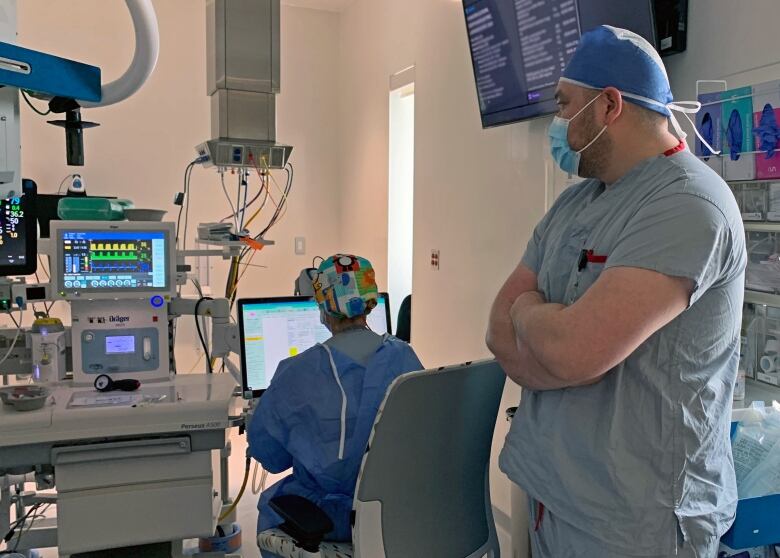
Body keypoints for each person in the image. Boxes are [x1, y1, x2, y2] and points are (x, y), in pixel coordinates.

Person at [486, 26, 746, 557]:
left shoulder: (688, 208)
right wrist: (555, 345)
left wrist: (532, 317)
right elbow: (498, 329)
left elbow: (574, 351)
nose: (557, 125)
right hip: (555, 495)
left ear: (608, 106)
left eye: (565, 106)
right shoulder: (575, 204)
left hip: (635, 521)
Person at [248, 254, 423, 555]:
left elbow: (272, 458)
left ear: (322, 307)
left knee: (275, 504)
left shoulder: (298, 371)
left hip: (332, 519)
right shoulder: (405, 356)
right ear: (371, 301)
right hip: (398, 510)